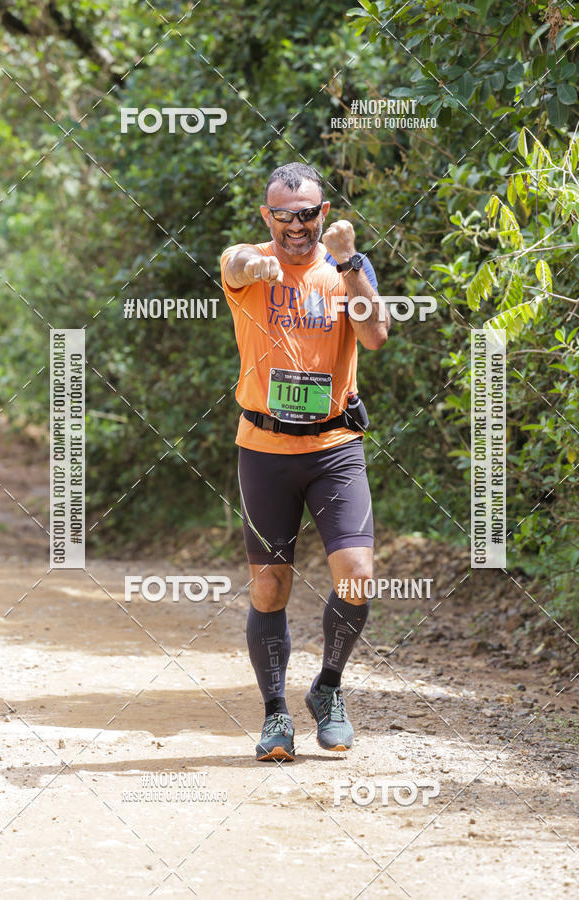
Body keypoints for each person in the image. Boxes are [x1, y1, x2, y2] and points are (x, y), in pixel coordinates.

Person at [220, 162, 389, 761]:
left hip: (333, 446)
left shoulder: (348, 267)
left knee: (357, 575)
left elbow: (375, 337)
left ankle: (328, 691)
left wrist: (349, 264)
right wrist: (253, 264)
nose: (297, 224)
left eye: (309, 212)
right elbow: (235, 265)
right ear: (268, 215)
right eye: (284, 214)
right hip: (265, 449)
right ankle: (274, 717)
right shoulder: (246, 260)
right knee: (270, 587)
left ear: (325, 212)